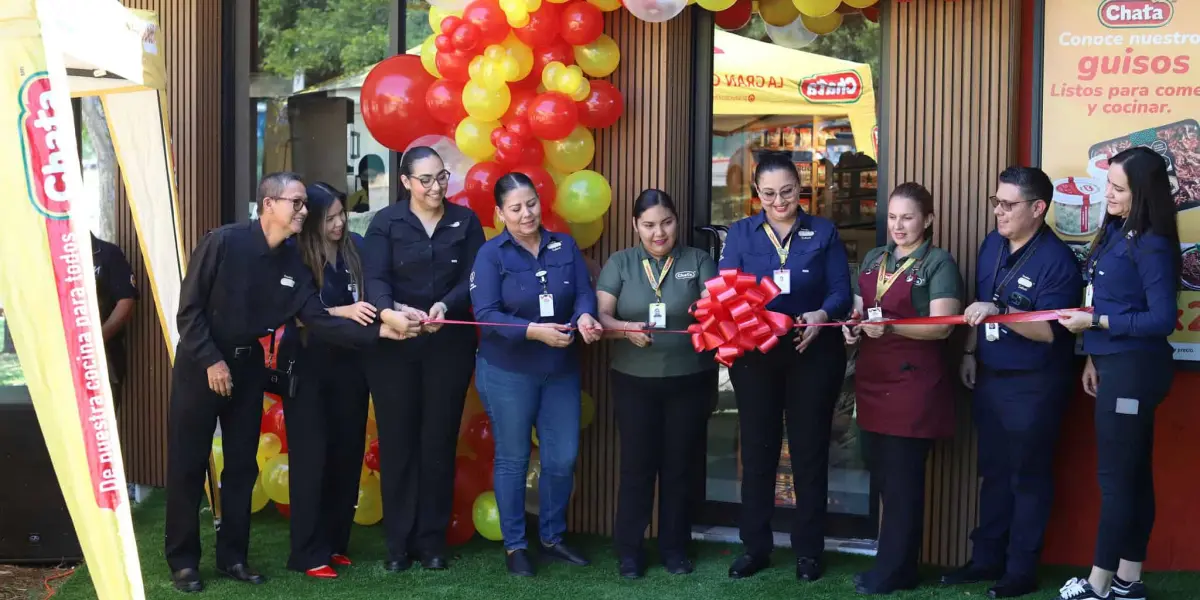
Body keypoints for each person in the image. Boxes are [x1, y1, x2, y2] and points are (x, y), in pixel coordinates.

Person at [164, 172, 416, 593]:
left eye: (304, 205)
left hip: (247, 370)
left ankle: (233, 558)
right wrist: (211, 361)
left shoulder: (293, 260)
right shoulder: (222, 243)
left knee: (242, 468)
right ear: (268, 205)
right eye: (296, 203)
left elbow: (315, 318)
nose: (304, 211)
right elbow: (188, 312)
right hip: (200, 366)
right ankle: (184, 561)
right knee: (189, 466)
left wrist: (381, 332)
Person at [943, 166, 1083, 599]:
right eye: (996, 202)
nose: (999, 212)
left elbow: (1049, 331)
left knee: (1028, 478)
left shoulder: (1057, 261)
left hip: (1034, 385)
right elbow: (975, 307)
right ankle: (986, 560)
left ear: (1038, 209)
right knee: (994, 472)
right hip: (989, 375)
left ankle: (1020, 571)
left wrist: (998, 310)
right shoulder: (992, 244)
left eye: (1008, 204)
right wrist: (969, 350)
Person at [716, 151, 852, 582]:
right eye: (770, 193)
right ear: (756, 193)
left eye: (788, 192)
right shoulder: (740, 234)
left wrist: (822, 315)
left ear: (800, 189)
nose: (779, 201)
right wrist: (749, 321)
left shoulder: (823, 231)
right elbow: (724, 291)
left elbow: (840, 292)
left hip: (812, 352)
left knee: (809, 452)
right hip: (756, 357)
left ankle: (808, 550)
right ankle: (755, 546)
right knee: (758, 451)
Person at [1053, 147, 1180, 600]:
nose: (1108, 194)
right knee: (1132, 474)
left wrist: (1098, 326)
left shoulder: (1153, 243)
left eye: (1119, 189)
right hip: (1113, 363)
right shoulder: (1114, 231)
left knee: (1116, 480)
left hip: (1137, 370)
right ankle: (1128, 581)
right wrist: (1093, 353)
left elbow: (1162, 319)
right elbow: (1102, 297)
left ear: (1143, 193)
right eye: (1108, 184)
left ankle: (1099, 584)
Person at [470, 172, 603, 577]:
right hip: (508, 371)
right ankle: (516, 546)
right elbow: (486, 315)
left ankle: (552, 537)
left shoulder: (564, 245)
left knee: (561, 458)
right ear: (499, 213)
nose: (526, 214)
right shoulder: (491, 255)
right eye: (515, 208)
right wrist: (532, 331)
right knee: (512, 458)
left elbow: (584, 292)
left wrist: (584, 317)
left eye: (531, 204)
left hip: (560, 369)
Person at [362, 146, 485, 572]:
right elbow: (373, 278)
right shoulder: (386, 222)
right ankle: (398, 543)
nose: (436, 187)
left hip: (447, 345)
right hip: (394, 346)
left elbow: (474, 277)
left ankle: (432, 540)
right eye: (426, 180)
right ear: (406, 182)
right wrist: (390, 311)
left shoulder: (465, 222)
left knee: (437, 442)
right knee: (398, 444)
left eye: (442, 177)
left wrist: (445, 307)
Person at [842, 183, 963, 595]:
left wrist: (890, 326)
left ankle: (891, 571)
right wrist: (851, 327)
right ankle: (899, 567)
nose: (898, 225)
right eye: (892, 217)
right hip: (873, 379)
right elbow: (860, 309)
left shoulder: (938, 263)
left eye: (908, 217)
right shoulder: (876, 258)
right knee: (883, 478)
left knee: (902, 484)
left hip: (914, 385)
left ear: (928, 220)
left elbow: (944, 326)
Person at [594, 189, 717, 579]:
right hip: (634, 380)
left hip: (689, 378)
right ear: (635, 226)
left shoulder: (698, 260)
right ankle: (630, 551)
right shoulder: (621, 263)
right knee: (636, 467)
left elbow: (716, 311)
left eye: (666, 222)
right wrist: (626, 329)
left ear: (676, 221)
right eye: (648, 225)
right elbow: (601, 318)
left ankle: (675, 548)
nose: (658, 233)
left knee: (680, 467)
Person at [281, 182, 375, 579]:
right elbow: (304, 315)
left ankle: (335, 543)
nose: (339, 224)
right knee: (312, 460)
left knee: (346, 455)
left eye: (343, 215)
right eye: (331, 217)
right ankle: (307, 552)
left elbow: (372, 298)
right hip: (309, 368)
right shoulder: (296, 254)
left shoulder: (354, 247)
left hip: (350, 367)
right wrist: (348, 311)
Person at [91, 233, 140, 408]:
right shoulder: (52, 256)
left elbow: (126, 301)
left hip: (104, 357)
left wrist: (97, 339)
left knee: (99, 425)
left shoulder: (107, 253)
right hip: (61, 357)